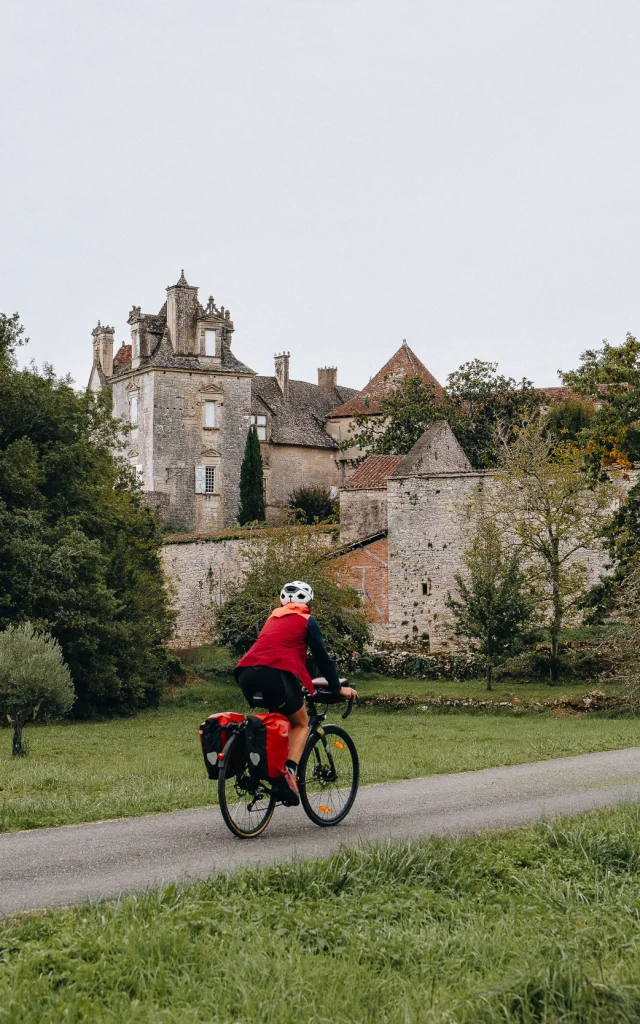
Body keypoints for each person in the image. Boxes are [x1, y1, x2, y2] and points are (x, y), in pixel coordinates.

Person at [234, 580, 357, 807]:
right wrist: (337, 687)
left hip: (246, 674)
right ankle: (288, 775)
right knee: (301, 723)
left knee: (278, 722)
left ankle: (264, 770)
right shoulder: (307, 620)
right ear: (308, 602)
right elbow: (322, 658)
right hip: (275, 675)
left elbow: (279, 650)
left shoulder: (272, 618)